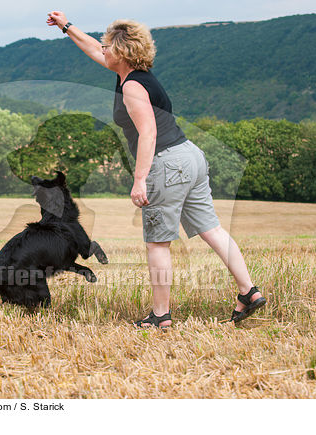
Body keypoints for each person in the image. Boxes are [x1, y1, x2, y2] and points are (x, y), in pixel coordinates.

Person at [47, 12, 267, 328]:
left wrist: (140, 180)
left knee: (157, 242)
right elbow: (94, 50)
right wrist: (67, 27)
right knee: (213, 229)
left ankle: (161, 315)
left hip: (166, 164)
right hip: (189, 156)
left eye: (108, 45)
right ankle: (249, 292)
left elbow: (148, 133)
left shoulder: (133, 87)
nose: (103, 49)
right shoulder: (131, 74)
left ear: (121, 52)